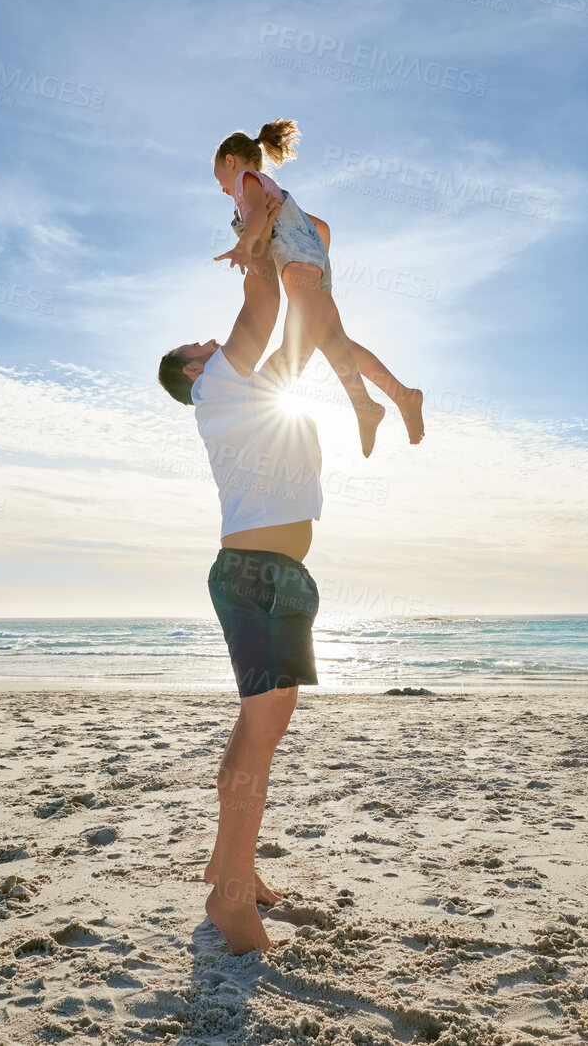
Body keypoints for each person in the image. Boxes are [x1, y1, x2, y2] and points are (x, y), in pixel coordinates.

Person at [157, 233, 326, 956]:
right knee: (260, 734)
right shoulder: (217, 385)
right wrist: (256, 238)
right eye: (203, 342)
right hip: (257, 572)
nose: (213, 341)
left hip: (277, 574)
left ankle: (232, 867)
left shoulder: (249, 392)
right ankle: (228, 897)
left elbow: (300, 331)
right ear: (195, 368)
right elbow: (263, 307)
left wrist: (293, 244)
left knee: (261, 730)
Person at [213, 119, 424, 458]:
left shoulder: (244, 180)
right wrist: (317, 267)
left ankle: (364, 404)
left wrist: (245, 245)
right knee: (335, 340)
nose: (223, 189)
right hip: (313, 260)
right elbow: (320, 227)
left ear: (230, 161)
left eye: (218, 181)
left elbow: (254, 217)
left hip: (297, 261)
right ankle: (403, 395)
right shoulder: (273, 189)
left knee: (325, 337)